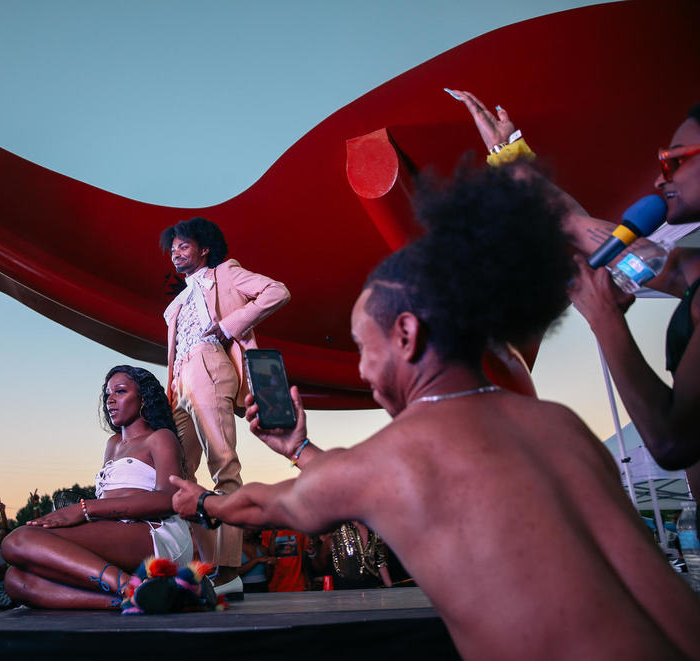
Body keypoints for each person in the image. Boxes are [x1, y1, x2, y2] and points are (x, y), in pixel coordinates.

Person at [172, 167, 700, 660]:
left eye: (364, 344)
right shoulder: (561, 425)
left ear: (406, 333)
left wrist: (202, 502)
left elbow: (264, 507)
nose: (362, 368)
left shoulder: (394, 458)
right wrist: (302, 450)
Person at [449, 90, 700, 497]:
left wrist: (604, 317)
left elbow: (672, 441)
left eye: (675, 160)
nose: (659, 177)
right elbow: (575, 225)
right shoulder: (691, 270)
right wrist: (508, 156)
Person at [160, 216, 290, 595]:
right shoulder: (176, 304)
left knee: (222, 462)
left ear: (204, 249)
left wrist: (230, 324)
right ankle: (199, 562)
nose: (176, 252)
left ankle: (230, 569)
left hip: (210, 363)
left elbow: (277, 291)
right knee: (177, 474)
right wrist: (170, 390)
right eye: (173, 248)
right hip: (179, 380)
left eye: (184, 245)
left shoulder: (227, 274)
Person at [2, 365, 192, 609]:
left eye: (120, 392)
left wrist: (85, 509)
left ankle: (127, 585)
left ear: (143, 398)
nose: (110, 400)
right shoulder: (112, 444)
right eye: (107, 395)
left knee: (17, 541)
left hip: (154, 532)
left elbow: (168, 500)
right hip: (116, 532)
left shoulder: (160, 437)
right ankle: (138, 597)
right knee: (16, 581)